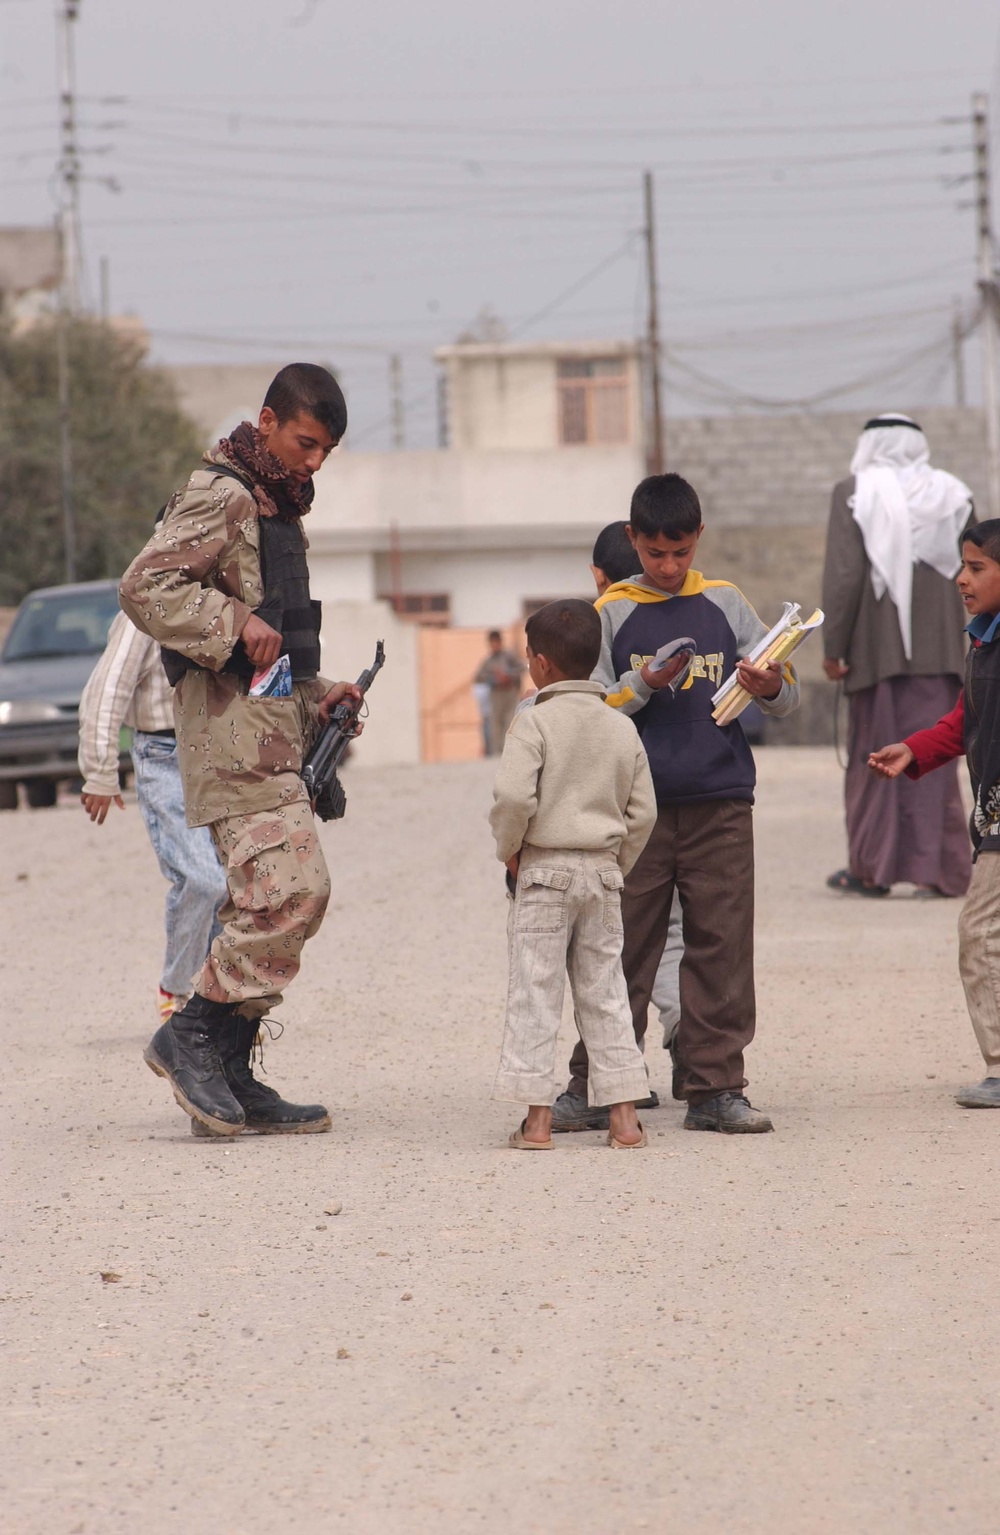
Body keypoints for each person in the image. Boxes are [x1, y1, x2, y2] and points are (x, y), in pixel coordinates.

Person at [119, 362, 364, 1138]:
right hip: (227, 740)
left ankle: (227, 1067)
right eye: (305, 442)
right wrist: (229, 622)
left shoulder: (278, 509)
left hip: (272, 732)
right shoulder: (222, 492)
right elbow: (144, 586)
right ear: (267, 422)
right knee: (297, 891)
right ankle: (191, 1034)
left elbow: (277, 642)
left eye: (325, 449)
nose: (314, 461)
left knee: (266, 900)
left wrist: (320, 692)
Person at [553, 473, 800, 1134]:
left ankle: (716, 1086)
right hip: (635, 811)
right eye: (656, 552)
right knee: (620, 945)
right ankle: (598, 1083)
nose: (668, 566)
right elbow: (588, 706)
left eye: (680, 552)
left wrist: (770, 682)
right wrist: (641, 683)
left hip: (721, 803)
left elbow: (787, 692)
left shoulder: (725, 602)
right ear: (634, 540)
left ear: (696, 541)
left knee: (722, 943)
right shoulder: (611, 612)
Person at [489, 598, 656, 1149]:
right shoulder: (620, 727)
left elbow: (514, 797)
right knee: (606, 992)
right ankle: (625, 1119)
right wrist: (616, 865)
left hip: (544, 871)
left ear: (539, 664)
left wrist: (510, 852)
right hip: (602, 874)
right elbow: (643, 812)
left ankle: (537, 1123)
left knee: (536, 992)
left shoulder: (532, 721)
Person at [869, 519, 1000, 1108]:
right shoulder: (981, 639)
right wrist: (915, 749)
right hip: (993, 813)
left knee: (980, 932)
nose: (961, 579)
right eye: (962, 566)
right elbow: (964, 718)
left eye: (977, 568)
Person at [822, 413, 972, 899]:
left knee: (877, 762)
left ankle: (873, 870)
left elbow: (843, 579)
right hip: (945, 655)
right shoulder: (954, 495)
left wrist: (834, 649)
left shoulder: (853, 492)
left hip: (875, 656)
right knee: (938, 760)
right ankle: (945, 870)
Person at [78, 610, 228, 1023]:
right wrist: (100, 774)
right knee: (202, 879)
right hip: (163, 756)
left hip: (222, 752)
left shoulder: (221, 600)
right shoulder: (142, 616)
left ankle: (215, 1002)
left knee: (233, 884)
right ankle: (177, 987)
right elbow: (106, 691)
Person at [475, 629, 525, 754]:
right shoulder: (488, 661)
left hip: (509, 693)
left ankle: (509, 751)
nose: (494, 645)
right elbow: (479, 677)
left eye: (496, 642)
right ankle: (497, 753)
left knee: (510, 721)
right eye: (492, 643)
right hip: (496, 695)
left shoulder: (509, 656)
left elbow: (522, 668)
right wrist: (494, 679)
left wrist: (508, 676)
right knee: (495, 724)